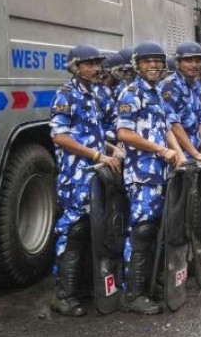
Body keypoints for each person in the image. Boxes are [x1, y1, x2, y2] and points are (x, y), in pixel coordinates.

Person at [49, 44, 121, 317]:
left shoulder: (96, 93)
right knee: (74, 231)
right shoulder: (66, 94)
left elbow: (96, 131)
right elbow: (60, 137)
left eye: (96, 64)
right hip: (75, 175)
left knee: (93, 228)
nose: (94, 68)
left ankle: (85, 287)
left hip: (95, 173)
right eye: (88, 64)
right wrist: (96, 155)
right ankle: (64, 295)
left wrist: (112, 149)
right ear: (75, 67)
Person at [116, 41, 186, 315]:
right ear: (137, 64)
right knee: (141, 232)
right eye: (148, 61)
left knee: (156, 230)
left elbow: (166, 127)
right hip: (141, 175)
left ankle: (146, 285)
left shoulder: (156, 93)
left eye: (158, 60)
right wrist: (161, 150)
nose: (154, 65)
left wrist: (178, 154)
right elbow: (124, 134)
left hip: (161, 172)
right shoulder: (130, 94)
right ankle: (132, 294)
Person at [159, 42, 201, 165]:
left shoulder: (198, 85)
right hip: (179, 155)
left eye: (197, 61)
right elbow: (173, 123)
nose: (194, 65)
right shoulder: (169, 86)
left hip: (197, 152)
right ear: (178, 63)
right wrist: (195, 153)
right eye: (188, 61)